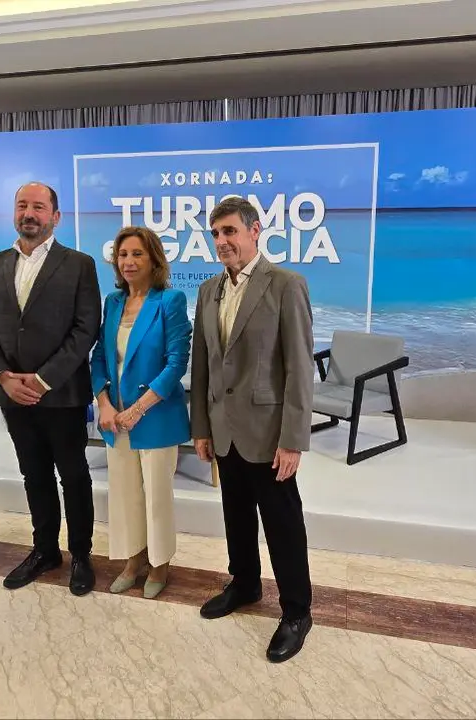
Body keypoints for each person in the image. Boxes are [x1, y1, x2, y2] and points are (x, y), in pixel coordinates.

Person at [189, 196, 316, 663]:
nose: (222, 241)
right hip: (224, 430)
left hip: (268, 433)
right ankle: (244, 584)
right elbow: (202, 363)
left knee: (283, 524)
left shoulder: (285, 284)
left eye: (230, 231)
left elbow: (299, 367)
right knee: (236, 516)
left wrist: (293, 439)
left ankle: (297, 611)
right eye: (215, 233)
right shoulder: (208, 290)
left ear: (254, 230)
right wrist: (200, 426)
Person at [0, 181, 102, 596]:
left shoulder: (79, 264)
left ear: (55, 217)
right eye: (22, 205)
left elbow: (85, 328)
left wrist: (43, 379)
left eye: (39, 207)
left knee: (73, 476)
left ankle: (80, 554)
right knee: (34, 475)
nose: (29, 213)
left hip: (61, 394)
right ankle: (45, 550)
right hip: (13, 395)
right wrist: (3, 376)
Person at [89, 226, 192, 599]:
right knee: (125, 494)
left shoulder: (170, 300)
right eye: (122, 255)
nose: (128, 262)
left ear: (154, 259)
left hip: (155, 417)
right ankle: (133, 562)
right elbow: (100, 358)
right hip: (115, 419)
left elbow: (176, 363)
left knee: (156, 497)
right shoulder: (113, 302)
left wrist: (137, 409)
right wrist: (103, 403)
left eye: (137, 254)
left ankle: (160, 564)